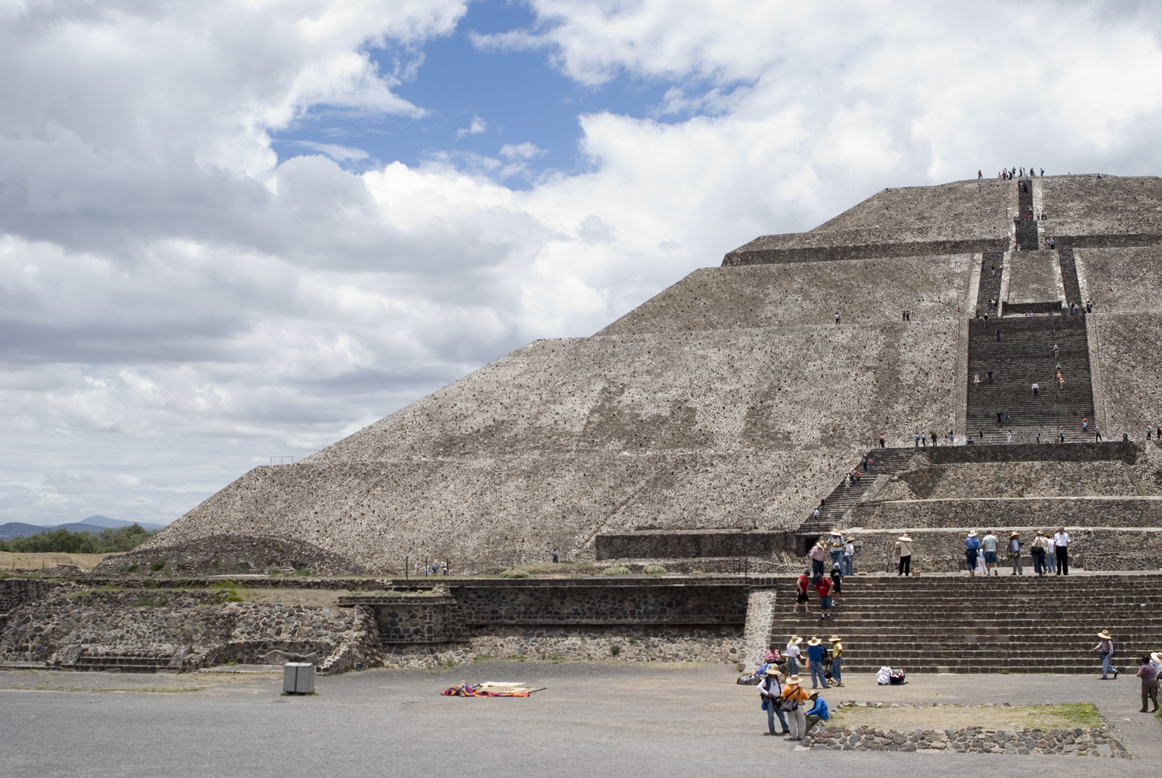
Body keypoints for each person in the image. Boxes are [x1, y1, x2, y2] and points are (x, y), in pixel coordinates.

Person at [758, 666, 791, 735]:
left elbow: (779, 688)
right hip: (770, 699)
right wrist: (767, 693)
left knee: (781, 715)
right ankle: (772, 730)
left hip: (778, 699)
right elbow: (759, 687)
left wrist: (782, 694)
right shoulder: (766, 680)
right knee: (771, 715)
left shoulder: (777, 679)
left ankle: (785, 728)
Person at [781, 675, 811, 741]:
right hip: (799, 706)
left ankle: (793, 736)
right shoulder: (801, 689)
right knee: (801, 722)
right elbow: (806, 698)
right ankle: (801, 736)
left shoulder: (786, 688)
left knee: (792, 721)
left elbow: (782, 696)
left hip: (790, 706)